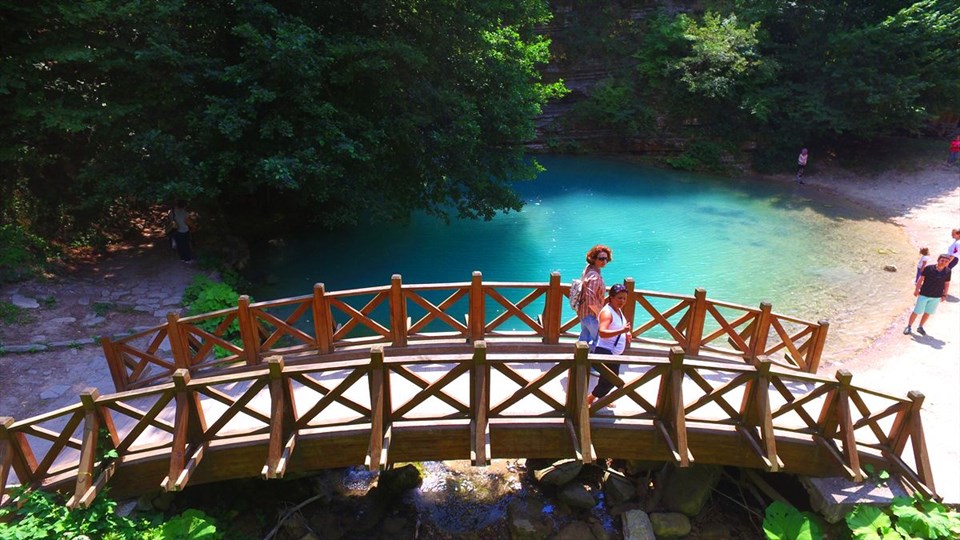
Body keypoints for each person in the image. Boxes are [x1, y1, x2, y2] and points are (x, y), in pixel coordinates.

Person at [587, 283, 632, 407]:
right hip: (605, 350)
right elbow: (602, 332)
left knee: (606, 379)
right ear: (611, 297)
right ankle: (590, 399)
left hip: (613, 352)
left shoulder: (618, 311)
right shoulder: (607, 313)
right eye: (619, 298)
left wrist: (626, 334)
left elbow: (619, 326)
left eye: (624, 298)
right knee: (611, 379)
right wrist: (622, 331)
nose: (622, 301)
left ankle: (601, 399)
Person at [904, 254, 952, 336]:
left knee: (928, 312)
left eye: (946, 261)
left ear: (948, 263)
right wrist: (916, 290)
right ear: (938, 260)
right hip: (924, 294)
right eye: (942, 260)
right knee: (916, 311)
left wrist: (944, 295)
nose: (944, 262)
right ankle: (909, 326)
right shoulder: (929, 268)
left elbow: (946, 283)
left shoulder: (948, 271)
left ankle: (920, 327)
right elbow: (920, 279)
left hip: (936, 296)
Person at [576, 245, 612, 352]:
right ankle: (594, 366)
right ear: (593, 259)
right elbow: (590, 299)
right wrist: (599, 315)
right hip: (591, 315)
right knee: (599, 341)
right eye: (601, 259)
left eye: (606, 259)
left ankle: (579, 364)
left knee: (583, 340)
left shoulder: (588, 269)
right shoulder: (595, 277)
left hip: (583, 313)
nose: (604, 261)